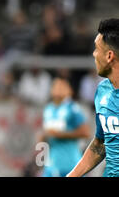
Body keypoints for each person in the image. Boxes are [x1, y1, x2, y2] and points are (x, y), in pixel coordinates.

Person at [67, 18, 119, 177]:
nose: (93, 54)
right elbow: (101, 142)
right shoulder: (102, 91)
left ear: (109, 56)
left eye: (96, 49)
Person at [38, 77, 90, 177]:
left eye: (62, 86)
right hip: (52, 162)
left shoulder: (73, 108)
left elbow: (86, 132)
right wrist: (43, 138)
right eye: (56, 86)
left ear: (69, 90)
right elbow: (47, 134)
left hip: (71, 163)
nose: (58, 88)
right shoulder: (48, 109)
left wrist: (60, 135)